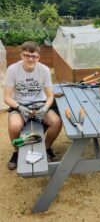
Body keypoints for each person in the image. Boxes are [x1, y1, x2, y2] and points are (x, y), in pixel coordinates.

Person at [4, 41, 62, 170]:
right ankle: (17, 152)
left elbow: (50, 95)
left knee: (56, 122)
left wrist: (45, 108)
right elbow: (7, 97)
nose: (30, 59)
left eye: (33, 56)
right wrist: (19, 107)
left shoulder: (44, 70)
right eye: (26, 55)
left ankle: (46, 147)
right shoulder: (12, 69)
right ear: (21, 56)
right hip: (19, 105)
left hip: (40, 104)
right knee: (14, 126)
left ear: (38, 57)